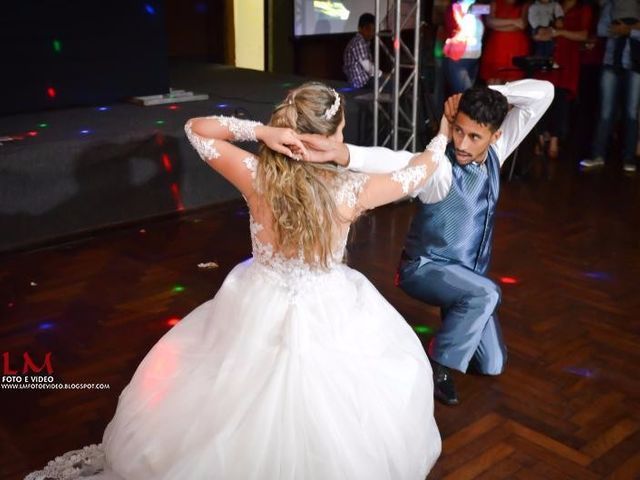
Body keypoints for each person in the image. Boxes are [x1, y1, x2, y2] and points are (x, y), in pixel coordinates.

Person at [25, 83, 443, 479]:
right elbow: (422, 170)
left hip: (257, 298)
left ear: (287, 130)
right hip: (329, 305)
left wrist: (261, 131)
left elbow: (196, 128)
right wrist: (439, 137)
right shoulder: (352, 191)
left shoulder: (255, 174)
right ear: (330, 136)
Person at [300, 79, 554, 406]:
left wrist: (488, 93)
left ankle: (460, 316)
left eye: (474, 136)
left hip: (465, 283)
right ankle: (438, 366)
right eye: (458, 130)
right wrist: (344, 153)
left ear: (496, 137)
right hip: (424, 269)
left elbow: (544, 92)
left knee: (493, 365)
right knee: (487, 292)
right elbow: (394, 160)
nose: (462, 142)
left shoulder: (497, 154)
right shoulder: (441, 167)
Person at [580, 0, 640, 173]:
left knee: (631, 111)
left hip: (635, 62)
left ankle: (629, 158)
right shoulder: (611, 4)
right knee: (605, 111)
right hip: (611, 60)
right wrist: (629, 27)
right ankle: (598, 155)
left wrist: (629, 30)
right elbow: (602, 29)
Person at [535, 0, 592, 158]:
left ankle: (554, 140)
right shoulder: (552, 4)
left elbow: (584, 35)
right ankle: (540, 137)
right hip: (548, 55)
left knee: (561, 98)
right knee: (542, 97)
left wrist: (558, 32)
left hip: (568, 58)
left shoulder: (583, 8)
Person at [480, 0, 531, 84]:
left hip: (516, 46)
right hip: (496, 47)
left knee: (513, 81)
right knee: (493, 81)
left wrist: (497, 25)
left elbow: (522, 24)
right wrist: (514, 21)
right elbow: (489, 22)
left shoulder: (524, 4)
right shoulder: (495, 2)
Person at [442, 0, 486, 94]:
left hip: (474, 56)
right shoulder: (455, 8)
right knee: (465, 95)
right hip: (459, 57)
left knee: (467, 94)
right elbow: (457, 31)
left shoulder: (476, 8)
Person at [343, 13, 381, 89]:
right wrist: (382, 75)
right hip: (360, 84)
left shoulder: (364, 42)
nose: (371, 33)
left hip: (365, 81)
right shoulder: (358, 42)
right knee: (391, 85)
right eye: (368, 29)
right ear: (360, 28)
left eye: (373, 30)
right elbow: (367, 66)